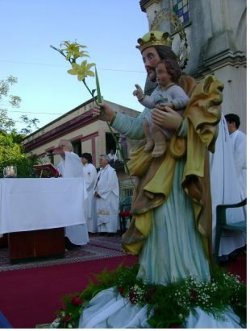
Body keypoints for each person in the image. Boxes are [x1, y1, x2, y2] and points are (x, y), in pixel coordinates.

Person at [77, 31, 243, 328]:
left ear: (166, 59)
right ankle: (157, 280)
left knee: (180, 225)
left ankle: (187, 282)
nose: (147, 64)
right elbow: (140, 128)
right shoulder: (153, 99)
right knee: (159, 225)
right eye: (143, 59)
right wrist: (112, 116)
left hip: (183, 177)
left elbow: (209, 133)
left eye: (150, 57)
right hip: (157, 172)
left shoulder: (193, 88)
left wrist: (180, 125)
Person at [133, 58, 189, 157]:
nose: (157, 76)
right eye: (157, 73)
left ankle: (160, 144)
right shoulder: (157, 91)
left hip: (169, 119)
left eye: (161, 73)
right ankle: (150, 140)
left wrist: (172, 104)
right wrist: (141, 97)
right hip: (158, 115)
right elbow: (151, 103)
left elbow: (185, 100)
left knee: (155, 125)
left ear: (171, 74)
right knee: (145, 122)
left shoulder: (175, 89)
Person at [54, 139, 89, 249]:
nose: (60, 149)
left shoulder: (73, 157)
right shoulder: (61, 163)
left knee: (75, 218)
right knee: (67, 220)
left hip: (75, 195)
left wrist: (61, 150)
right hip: (66, 194)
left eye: (62, 146)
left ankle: (76, 242)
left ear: (69, 148)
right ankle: (67, 239)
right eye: (59, 146)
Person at [93, 154, 119, 235]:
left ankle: (110, 230)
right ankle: (103, 230)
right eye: (99, 160)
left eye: (101, 160)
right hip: (100, 196)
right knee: (101, 212)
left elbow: (110, 185)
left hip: (108, 196)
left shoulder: (111, 171)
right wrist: (95, 192)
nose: (99, 161)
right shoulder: (100, 171)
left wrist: (100, 193)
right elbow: (96, 184)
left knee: (108, 213)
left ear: (107, 161)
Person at [225, 113, 247, 198]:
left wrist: (231, 177)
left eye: (226, 123)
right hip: (232, 174)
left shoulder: (241, 138)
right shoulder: (228, 138)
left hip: (239, 175)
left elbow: (238, 160)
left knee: (241, 197)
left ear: (233, 124)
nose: (224, 127)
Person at [81, 153, 98, 233]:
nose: (81, 159)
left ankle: (92, 229)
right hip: (83, 192)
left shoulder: (92, 167)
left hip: (90, 191)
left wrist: (84, 188)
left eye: (83, 158)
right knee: (85, 210)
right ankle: (86, 229)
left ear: (87, 159)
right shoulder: (81, 168)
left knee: (90, 210)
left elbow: (92, 181)